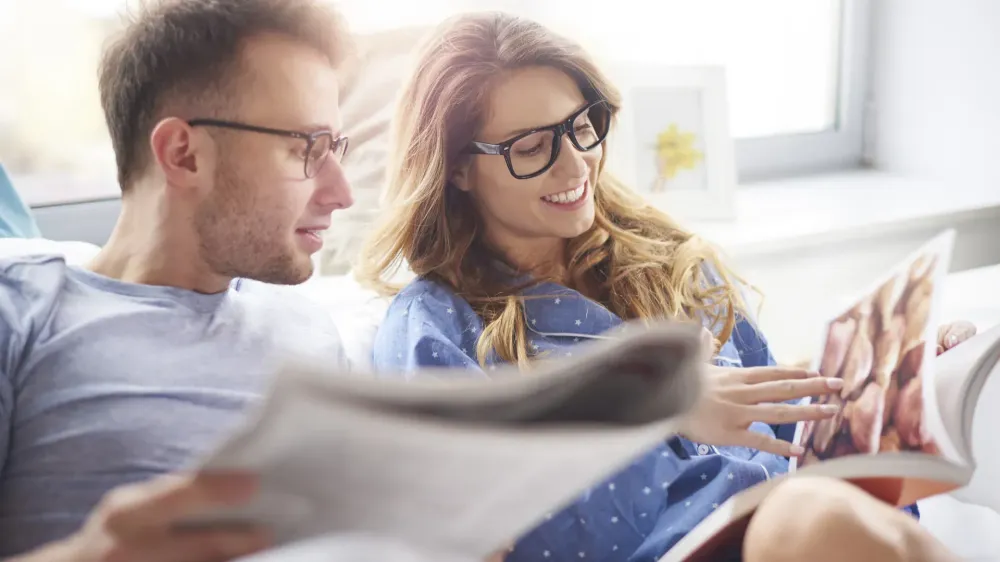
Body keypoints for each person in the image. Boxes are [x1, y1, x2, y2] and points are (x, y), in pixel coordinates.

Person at [358, 12, 974, 562]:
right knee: (809, 520)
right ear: (458, 167)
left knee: (822, 513)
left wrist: (889, 374)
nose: (575, 165)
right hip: (708, 542)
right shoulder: (434, 327)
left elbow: (773, 415)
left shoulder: (667, 260)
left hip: (790, 519)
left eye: (581, 127)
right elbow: (458, 523)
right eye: (532, 148)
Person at [0, 0, 355, 559]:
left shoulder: (313, 333)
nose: (343, 193)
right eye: (305, 149)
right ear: (183, 155)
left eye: (337, 147)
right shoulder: (20, 310)